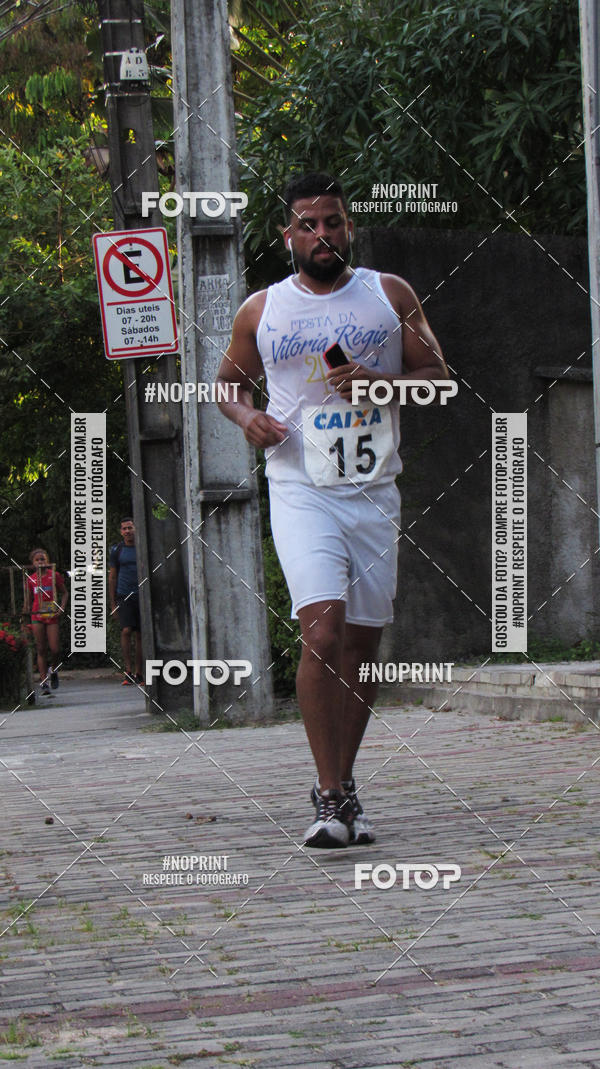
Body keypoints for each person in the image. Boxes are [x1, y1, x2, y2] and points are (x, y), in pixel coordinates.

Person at [216, 171, 449, 848]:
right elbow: (226, 384)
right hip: (300, 488)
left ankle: (344, 785)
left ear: (349, 227)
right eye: (308, 224)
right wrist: (246, 417)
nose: (322, 234)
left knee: (362, 647)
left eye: (334, 222)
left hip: (373, 492)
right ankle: (326, 795)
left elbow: (440, 381)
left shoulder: (389, 294)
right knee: (321, 634)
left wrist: (383, 383)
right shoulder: (262, 310)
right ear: (287, 234)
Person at [23, 548, 68, 697]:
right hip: (37, 615)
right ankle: (44, 683)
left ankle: (53, 670)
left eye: (42, 559)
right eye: (37, 560)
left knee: (55, 649)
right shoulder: (31, 579)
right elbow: (28, 600)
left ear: (47, 561)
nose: (40, 562)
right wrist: (24, 618)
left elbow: (64, 593)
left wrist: (61, 608)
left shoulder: (54, 575)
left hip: (51, 614)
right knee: (41, 649)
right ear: (33, 563)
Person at [109, 517, 143, 684]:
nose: (128, 531)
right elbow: (112, 576)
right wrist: (113, 603)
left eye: (130, 527)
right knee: (126, 630)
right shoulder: (117, 550)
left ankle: (139, 672)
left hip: (141, 595)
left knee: (140, 634)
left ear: (135, 528)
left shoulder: (142, 547)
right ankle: (128, 670)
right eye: (124, 528)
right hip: (124, 594)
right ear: (121, 532)